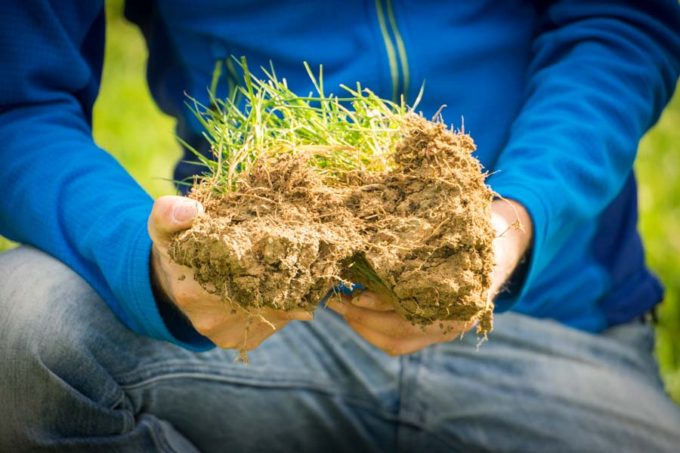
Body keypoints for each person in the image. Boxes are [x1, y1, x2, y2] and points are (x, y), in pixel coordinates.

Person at [1, 0, 679, 450]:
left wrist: (519, 219)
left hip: (556, 335)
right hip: (259, 329)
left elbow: (622, 20)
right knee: (27, 322)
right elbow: (19, 101)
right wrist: (148, 266)